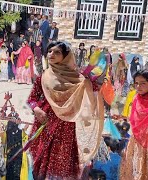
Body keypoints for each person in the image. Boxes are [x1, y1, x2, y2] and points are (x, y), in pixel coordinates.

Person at [27, 41, 104, 179]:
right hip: (46, 125)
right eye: (50, 51)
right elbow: (32, 99)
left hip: (66, 128)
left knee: (62, 166)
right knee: (41, 166)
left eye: (57, 52)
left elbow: (93, 92)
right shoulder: (43, 77)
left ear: (66, 56)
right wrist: (37, 109)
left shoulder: (77, 78)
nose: (51, 54)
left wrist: (88, 81)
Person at [120, 70, 148, 180]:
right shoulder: (136, 98)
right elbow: (133, 119)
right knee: (137, 170)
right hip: (137, 140)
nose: (138, 86)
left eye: (143, 83)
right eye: (136, 83)